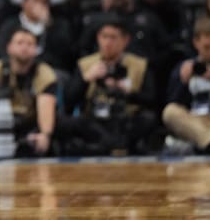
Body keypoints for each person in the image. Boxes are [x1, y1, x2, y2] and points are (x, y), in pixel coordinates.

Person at [65, 19, 157, 155]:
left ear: (125, 40)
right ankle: (112, 145)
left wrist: (126, 93)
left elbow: (152, 100)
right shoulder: (85, 64)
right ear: (98, 38)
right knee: (70, 122)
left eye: (113, 37)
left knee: (148, 118)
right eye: (104, 37)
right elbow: (69, 102)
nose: (108, 42)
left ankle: (109, 146)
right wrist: (87, 79)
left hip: (126, 120)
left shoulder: (140, 65)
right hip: (94, 121)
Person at [0, 28, 58, 158]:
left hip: (30, 122)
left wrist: (45, 135)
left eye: (30, 44)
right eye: (20, 43)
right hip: (2, 121)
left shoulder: (44, 73)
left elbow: (46, 109)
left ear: (36, 50)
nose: (25, 47)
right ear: (9, 47)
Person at [163, 17, 210, 156]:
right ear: (196, 43)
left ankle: (202, 143)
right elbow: (173, 101)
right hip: (195, 121)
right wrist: (183, 82)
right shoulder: (184, 67)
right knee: (169, 112)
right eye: (207, 47)